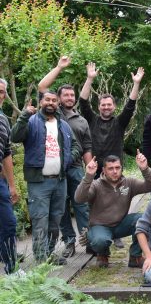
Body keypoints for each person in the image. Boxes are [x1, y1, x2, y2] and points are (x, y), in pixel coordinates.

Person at [79, 62, 144, 249]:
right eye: (103, 104)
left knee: (118, 202)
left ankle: (116, 234)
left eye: (109, 104)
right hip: (95, 169)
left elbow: (131, 105)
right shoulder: (91, 120)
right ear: (99, 107)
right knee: (92, 203)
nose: (106, 107)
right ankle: (94, 235)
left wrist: (136, 83)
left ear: (114, 107)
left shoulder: (119, 123)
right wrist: (90, 78)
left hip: (114, 169)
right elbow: (83, 101)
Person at [11, 92, 79, 265]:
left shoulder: (63, 125)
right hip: (38, 181)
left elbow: (76, 145)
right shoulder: (31, 121)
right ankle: (41, 259)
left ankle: (49, 254)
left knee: (55, 220)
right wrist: (24, 115)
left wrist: (68, 160)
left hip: (60, 181)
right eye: (47, 100)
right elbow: (15, 137)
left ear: (58, 103)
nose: (50, 103)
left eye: (54, 100)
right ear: (41, 102)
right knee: (40, 219)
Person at [38, 56, 93, 258]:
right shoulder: (55, 112)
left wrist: (90, 171)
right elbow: (42, 86)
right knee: (60, 208)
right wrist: (59, 67)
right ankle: (69, 242)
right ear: (59, 99)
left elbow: (86, 146)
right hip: (56, 169)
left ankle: (89, 240)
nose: (70, 98)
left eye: (72, 95)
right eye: (66, 95)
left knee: (82, 205)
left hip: (77, 168)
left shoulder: (82, 120)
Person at [74, 151, 151, 268]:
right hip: (100, 226)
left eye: (117, 167)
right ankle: (102, 253)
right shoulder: (96, 185)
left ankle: (135, 256)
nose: (115, 171)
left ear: (121, 168)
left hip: (121, 224)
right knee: (100, 241)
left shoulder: (129, 183)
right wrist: (88, 176)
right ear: (104, 170)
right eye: (110, 168)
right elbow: (79, 198)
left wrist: (145, 169)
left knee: (143, 220)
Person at [0, 110, 18, 274]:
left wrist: (11, 185)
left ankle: (12, 269)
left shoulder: (4, 120)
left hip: (0, 183)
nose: (2, 95)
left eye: (3, 91)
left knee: (8, 224)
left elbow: (6, 153)